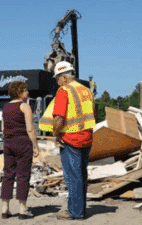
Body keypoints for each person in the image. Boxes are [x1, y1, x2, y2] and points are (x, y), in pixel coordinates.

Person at [39, 61, 96, 220]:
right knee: (81, 176)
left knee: (72, 177)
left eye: (57, 78)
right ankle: (80, 209)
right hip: (87, 138)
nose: (56, 81)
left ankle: (75, 212)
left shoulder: (64, 91)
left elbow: (58, 118)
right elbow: (93, 112)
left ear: (64, 78)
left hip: (70, 139)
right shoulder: (86, 90)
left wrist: (57, 135)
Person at [1, 81, 39, 220]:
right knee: (23, 175)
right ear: (19, 93)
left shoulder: (5, 107)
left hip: (8, 143)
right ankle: (23, 209)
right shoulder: (25, 106)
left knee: (8, 174)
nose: (27, 92)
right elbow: (30, 129)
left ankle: (5, 208)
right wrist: (36, 146)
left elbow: (3, 128)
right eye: (25, 90)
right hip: (23, 143)